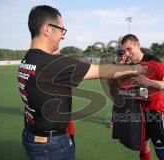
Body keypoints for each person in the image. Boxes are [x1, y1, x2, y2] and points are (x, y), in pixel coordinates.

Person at [19, 5, 145, 160]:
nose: (63, 36)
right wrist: (136, 68)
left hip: (32, 135)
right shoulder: (53, 64)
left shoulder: (28, 59)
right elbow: (101, 71)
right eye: (61, 30)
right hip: (51, 146)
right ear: (47, 29)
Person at [111, 34, 164, 160]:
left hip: (155, 112)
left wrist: (150, 83)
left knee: (161, 151)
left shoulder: (154, 61)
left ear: (138, 45)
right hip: (136, 113)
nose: (127, 54)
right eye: (124, 51)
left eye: (129, 49)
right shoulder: (127, 66)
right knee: (143, 147)